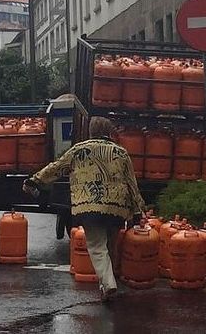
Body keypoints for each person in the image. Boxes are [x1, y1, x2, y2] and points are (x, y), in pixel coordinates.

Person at [22, 116, 145, 303]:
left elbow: (57, 167)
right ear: (109, 131)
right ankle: (106, 287)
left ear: (91, 131)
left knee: (96, 246)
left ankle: (109, 283)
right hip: (117, 207)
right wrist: (138, 211)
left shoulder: (79, 150)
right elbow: (131, 183)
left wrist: (35, 180)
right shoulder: (121, 153)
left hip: (89, 205)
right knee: (110, 246)